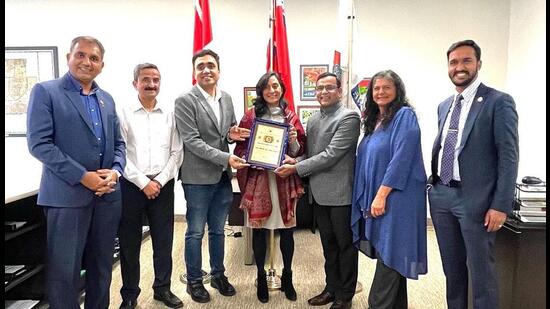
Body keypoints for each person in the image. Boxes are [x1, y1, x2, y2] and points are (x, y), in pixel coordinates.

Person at [26, 36, 125, 309]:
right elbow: (39, 144)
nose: (87, 62)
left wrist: (115, 172)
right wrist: (84, 176)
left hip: (106, 197)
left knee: (102, 267)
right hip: (65, 198)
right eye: (80, 55)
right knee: (64, 273)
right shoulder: (46, 92)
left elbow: (118, 144)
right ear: (69, 57)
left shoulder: (106, 99)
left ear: (102, 65)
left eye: (94, 58)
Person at [428, 39, 519, 309]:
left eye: (466, 60)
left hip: (476, 201)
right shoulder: (444, 105)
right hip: (442, 195)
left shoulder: (498, 101)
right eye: (454, 62)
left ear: (478, 64)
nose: (459, 67)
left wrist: (500, 205)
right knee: (452, 270)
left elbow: (508, 156)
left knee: (482, 273)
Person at [275, 72, 360, 309]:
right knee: (328, 247)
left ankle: (345, 296)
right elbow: (311, 155)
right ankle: (331, 288)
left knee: (345, 246)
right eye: (319, 88)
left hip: (341, 194)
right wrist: (295, 160)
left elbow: (331, 155)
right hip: (318, 194)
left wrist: (296, 168)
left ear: (339, 90)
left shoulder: (349, 117)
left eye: (329, 87)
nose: (323, 92)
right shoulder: (313, 119)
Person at [174, 49, 250, 304]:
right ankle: (194, 280)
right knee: (195, 231)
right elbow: (192, 142)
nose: (206, 70)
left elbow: (225, 134)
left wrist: (233, 135)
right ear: (194, 72)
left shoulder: (226, 98)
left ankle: (218, 274)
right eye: (200, 66)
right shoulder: (185, 100)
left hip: (222, 176)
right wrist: (225, 157)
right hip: (197, 177)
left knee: (218, 230)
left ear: (219, 70)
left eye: (210, 65)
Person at [350, 70, 428, 309]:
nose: (380, 92)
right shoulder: (374, 122)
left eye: (386, 87)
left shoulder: (404, 116)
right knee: (391, 260)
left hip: (398, 199)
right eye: (376, 88)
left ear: (397, 91)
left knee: (391, 254)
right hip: (381, 199)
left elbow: (401, 159)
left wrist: (381, 195)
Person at [234, 72, 306, 303]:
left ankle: (288, 276)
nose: (272, 90)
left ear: (282, 88)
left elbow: (298, 152)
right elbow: (240, 149)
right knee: (260, 230)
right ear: (261, 91)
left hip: (284, 180)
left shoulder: (291, 116)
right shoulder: (250, 115)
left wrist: (293, 139)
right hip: (259, 180)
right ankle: (261, 277)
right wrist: (253, 157)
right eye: (267, 87)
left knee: (286, 230)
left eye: (275, 86)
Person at [116, 63, 184, 308]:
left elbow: (177, 152)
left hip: (162, 185)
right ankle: (130, 295)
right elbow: (120, 153)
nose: (151, 84)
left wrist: (158, 181)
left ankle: (162, 289)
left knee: (164, 242)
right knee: (129, 243)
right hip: (131, 186)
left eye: (156, 79)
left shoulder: (170, 114)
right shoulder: (123, 112)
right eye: (146, 79)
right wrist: (144, 182)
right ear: (135, 83)